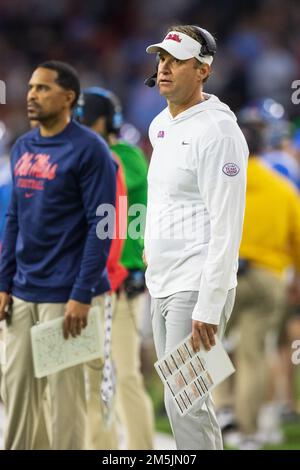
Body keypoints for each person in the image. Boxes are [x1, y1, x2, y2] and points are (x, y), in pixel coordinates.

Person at [0, 61, 116, 450]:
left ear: (68, 98)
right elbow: (14, 217)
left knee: (65, 407)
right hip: (22, 294)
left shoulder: (90, 150)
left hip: (66, 299)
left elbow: (103, 226)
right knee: (16, 400)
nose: (31, 94)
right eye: (31, 87)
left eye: (43, 88)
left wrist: (82, 293)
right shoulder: (23, 145)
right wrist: (3, 283)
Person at [144, 25, 249, 450]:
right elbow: (168, 198)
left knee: (186, 399)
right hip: (164, 281)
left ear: (203, 69)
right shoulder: (159, 125)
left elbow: (228, 224)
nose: (164, 68)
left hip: (197, 284)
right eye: (161, 59)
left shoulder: (219, 133)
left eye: (177, 61)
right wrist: (152, 248)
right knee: (180, 400)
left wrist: (209, 302)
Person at [213, 110, 300, 449]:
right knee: (254, 354)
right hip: (268, 277)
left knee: (209, 342)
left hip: (225, 274)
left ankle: (221, 408)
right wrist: (295, 281)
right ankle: (248, 432)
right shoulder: (283, 189)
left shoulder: (220, 182)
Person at [76, 87, 154, 450]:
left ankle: (142, 451)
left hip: (123, 280)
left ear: (104, 121)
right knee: (89, 378)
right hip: (90, 282)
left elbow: (108, 178)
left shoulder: (126, 156)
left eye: (85, 119)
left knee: (124, 375)